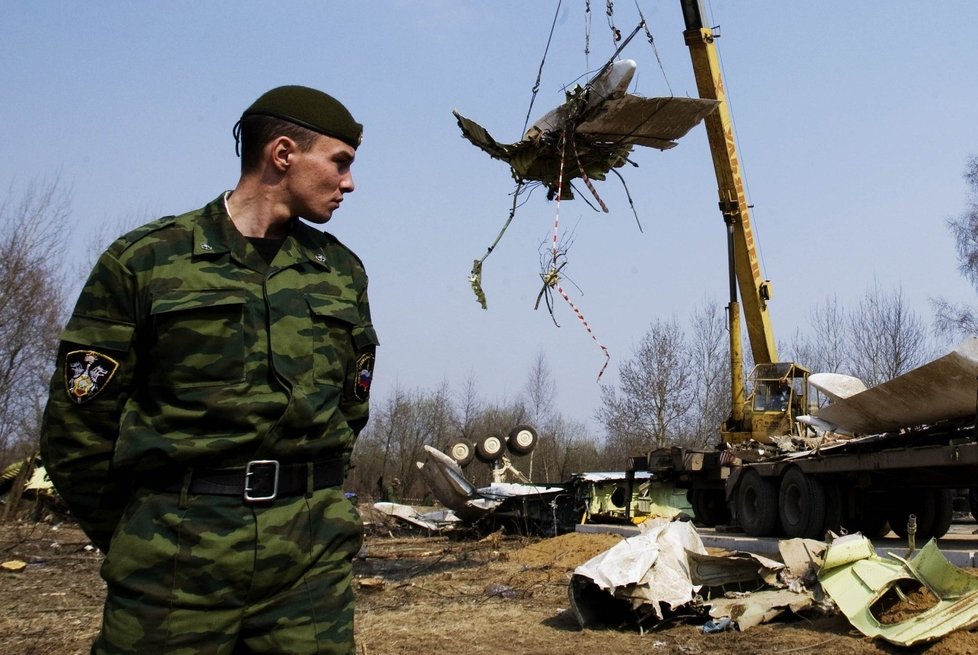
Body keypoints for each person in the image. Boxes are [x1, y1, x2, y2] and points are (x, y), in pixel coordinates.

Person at [40, 85, 378, 654]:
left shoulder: (340, 272)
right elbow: (77, 429)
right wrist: (136, 536)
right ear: (284, 153)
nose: (349, 183)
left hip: (307, 571)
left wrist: (313, 504)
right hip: (173, 567)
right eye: (340, 163)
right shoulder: (146, 262)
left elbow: (349, 411)